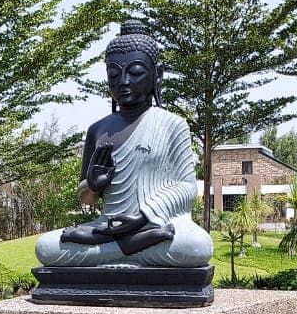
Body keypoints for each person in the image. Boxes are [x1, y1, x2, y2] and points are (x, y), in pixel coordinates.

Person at [34, 21, 213, 268]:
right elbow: (87, 199)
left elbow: (186, 188)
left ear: (156, 74)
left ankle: (114, 250)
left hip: (158, 222)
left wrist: (142, 217)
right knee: (46, 246)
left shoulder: (173, 124)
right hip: (110, 226)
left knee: (196, 246)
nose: (124, 82)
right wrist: (93, 186)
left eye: (136, 72)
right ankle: (126, 247)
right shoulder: (98, 129)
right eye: (114, 74)